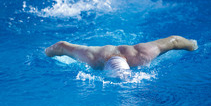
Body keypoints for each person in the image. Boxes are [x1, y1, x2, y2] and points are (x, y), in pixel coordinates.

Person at [45, 35, 198, 71]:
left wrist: (191, 45)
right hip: (103, 51)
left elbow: (174, 41)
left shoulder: (141, 55)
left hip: (134, 50)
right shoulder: (92, 57)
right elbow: (61, 46)